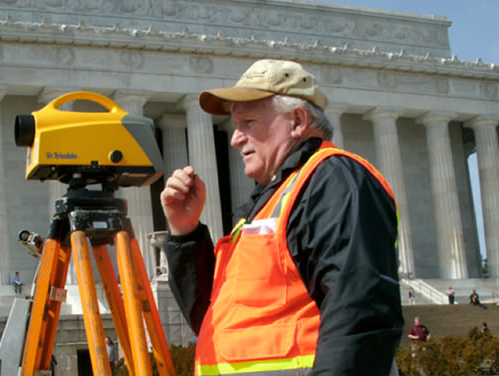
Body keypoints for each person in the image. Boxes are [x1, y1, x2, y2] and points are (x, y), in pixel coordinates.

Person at [161, 59, 402, 375]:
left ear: (298, 121)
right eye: (236, 126)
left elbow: (359, 312)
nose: (235, 138)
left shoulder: (333, 179)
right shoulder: (270, 202)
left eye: (248, 122)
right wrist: (185, 233)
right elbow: (218, 318)